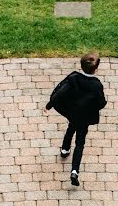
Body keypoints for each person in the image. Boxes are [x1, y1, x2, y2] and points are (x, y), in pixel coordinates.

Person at [45, 53, 107, 187]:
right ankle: (74, 171)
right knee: (80, 143)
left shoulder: (74, 78)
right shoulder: (96, 85)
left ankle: (65, 150)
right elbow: (101, 103)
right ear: (96, 69)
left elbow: (60, 93)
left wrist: (49, 105)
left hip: (73, 113)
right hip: (85, 117)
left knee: (70, 130)